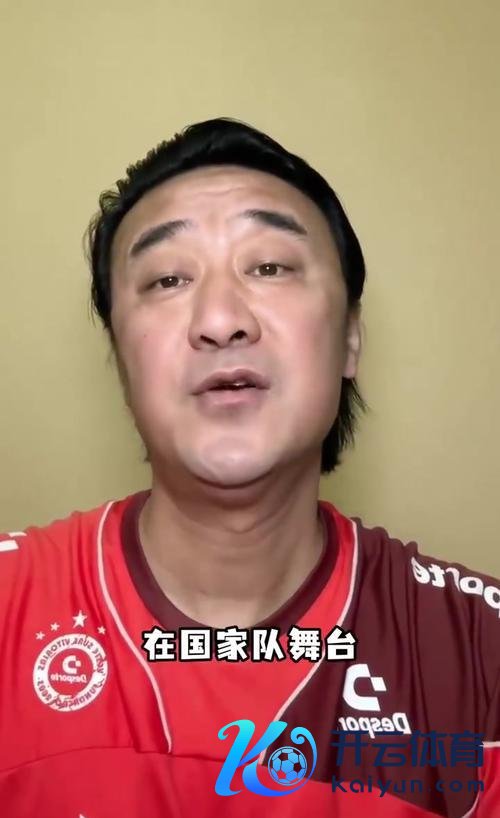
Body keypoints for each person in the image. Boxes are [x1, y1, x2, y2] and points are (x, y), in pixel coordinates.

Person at [0, 117, 498, 818]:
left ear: (350, 338)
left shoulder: (479, 655)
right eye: (167, 278)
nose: (220, 319)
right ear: (120, 359)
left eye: (269, 267)